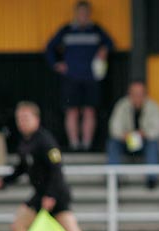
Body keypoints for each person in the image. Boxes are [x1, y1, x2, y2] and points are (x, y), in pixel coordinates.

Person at [0, 101, 116, 231]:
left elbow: (56, 170)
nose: (21, 122)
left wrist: (51, 195)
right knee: (22, 228)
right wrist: (5, 181)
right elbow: (22, 168)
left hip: (54, 194)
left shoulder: (44, 140)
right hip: (41, 194)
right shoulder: (26, 141)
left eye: (26, 118)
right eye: (19, 118)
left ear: (36, 119)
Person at [45, 0, 114, 151]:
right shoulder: (66, 30)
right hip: (71, 77)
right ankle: (74, 144)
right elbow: (49, 48)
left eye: (86, 13)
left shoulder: (96, 30)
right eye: (80, 13)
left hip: (91, 77)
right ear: (76, 14)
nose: (83, 16)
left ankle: (87, 144)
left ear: (89, 14)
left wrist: (103, 51)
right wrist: (56, 64)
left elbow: (110, 43)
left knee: (90, 110)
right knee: (72, 111)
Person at [107, 80, 159, 189]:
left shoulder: (153, 106)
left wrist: (144, 134)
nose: (137, 97)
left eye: (140, 94)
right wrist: (125, 135)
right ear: (129, 94)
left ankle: (152, 178)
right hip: (126, 142)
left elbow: (157, 129)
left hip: (145, 142)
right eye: (134, 94)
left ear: (145, 94)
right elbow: (114, 128)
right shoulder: (122, 105)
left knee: (153, 144)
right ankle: (114, 178)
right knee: (112, 144)